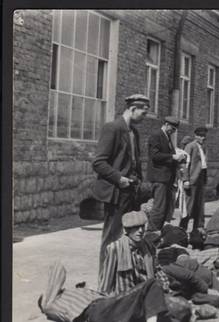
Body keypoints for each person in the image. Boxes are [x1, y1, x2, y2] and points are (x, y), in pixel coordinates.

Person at [92, 94, 149, 275]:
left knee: (130, 235)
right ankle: (105, 278)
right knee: (112, 237)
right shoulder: (113, 128)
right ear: (133, 109)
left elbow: (135, 161)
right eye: (143, 113)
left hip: (131, 192)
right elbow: (99, 162)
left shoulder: (134, 132)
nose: (144, 117)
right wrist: (119, 178)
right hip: (117, 192)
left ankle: (123, 276)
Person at [38, 262, 169, 322]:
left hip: (103, 309)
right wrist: (47, 293)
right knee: (151, 283)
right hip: (98, 309)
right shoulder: (49, 304)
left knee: (146, 308)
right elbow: (57, 268)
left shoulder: (68, 296)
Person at [146, 116, 184, 232]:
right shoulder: (156, 135)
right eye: (172, 128)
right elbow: (155, 156)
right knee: (159, 208)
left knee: (165, 208)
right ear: (166, 124)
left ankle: (158, 232)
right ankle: (152, 233)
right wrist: (173, 157)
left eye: (174, 130)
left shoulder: (167, 136)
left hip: (167, 178)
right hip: (159, 178)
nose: (173, 131)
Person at [180, 127, 209, 233]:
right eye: (200, 136)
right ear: (195, 136)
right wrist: (185, 179)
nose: (203, 138)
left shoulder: (203, 147)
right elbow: (184, 164)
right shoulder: (190, 146)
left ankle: (198, 229)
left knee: (200, 206)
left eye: (204, 136)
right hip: (192, 179)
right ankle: (182, 228)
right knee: (188, 206)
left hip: (201, 179)